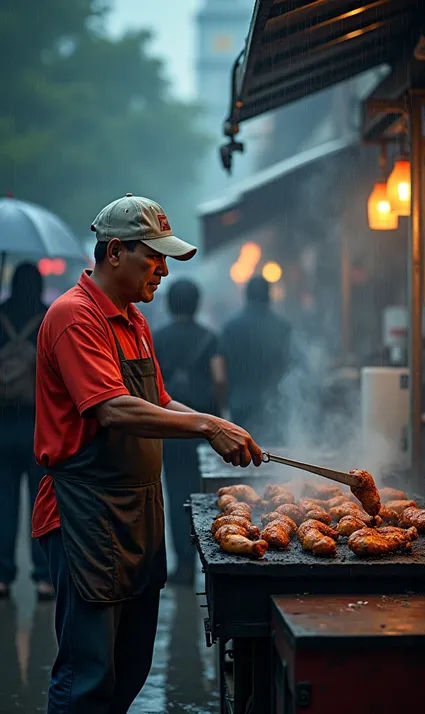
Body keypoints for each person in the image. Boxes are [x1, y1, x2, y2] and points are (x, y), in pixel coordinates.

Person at [32, 194, 262, 714]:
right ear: (115, 252)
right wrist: (205, 424)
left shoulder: (133, 321)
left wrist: (217, 424)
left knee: (130, 667)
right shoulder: (75, 317)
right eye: (153, 257)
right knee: (87, 675)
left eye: (166, 260)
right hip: (84, 514)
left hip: (136, 512)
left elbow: (155, 400)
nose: (162, 270)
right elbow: (112, 410)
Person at [153, 279, 224, 585]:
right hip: (200, 425)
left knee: (174, 491)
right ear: (197, 303)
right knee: (201, 493)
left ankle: (181, 562)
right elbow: (219, 378)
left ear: (170, 304)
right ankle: (203, 558)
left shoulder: (156, 338)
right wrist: (218, 414)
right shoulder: (210, 338)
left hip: (168, 423)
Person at [0, 263, 53, 601]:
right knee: (42, 504)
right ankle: (44, 577)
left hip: (2, 423)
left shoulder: (0, 315)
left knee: (3, 502)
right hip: (40, 425)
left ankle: (2, 576)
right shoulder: (50, 318)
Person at [219, 275, 292, 444]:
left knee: (242, 459)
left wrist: (223, 404)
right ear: (269, 296)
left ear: (246, 295)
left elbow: (221, 370)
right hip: (275, 405)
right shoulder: (283, 328)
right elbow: (291, 366)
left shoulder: (231, 327)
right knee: (274, 459)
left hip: (240, 403)